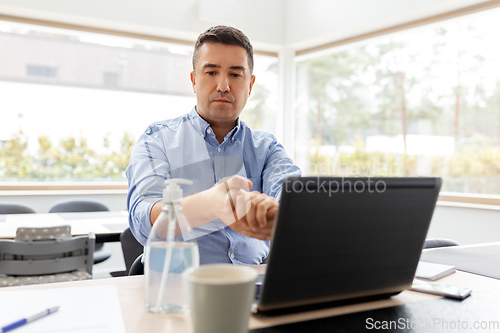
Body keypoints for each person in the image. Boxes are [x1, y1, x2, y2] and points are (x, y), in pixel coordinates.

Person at [126, 25, 301, 265]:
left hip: (252, 285)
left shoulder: (266, 148)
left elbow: (293, 194)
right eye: (211, 72)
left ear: (250, 85)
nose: (223, 86)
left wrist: (275, 212)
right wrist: (210, 205)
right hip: (178, 287)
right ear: (194, 80)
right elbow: (143, 221)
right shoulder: (157, 138)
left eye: (236, 75)